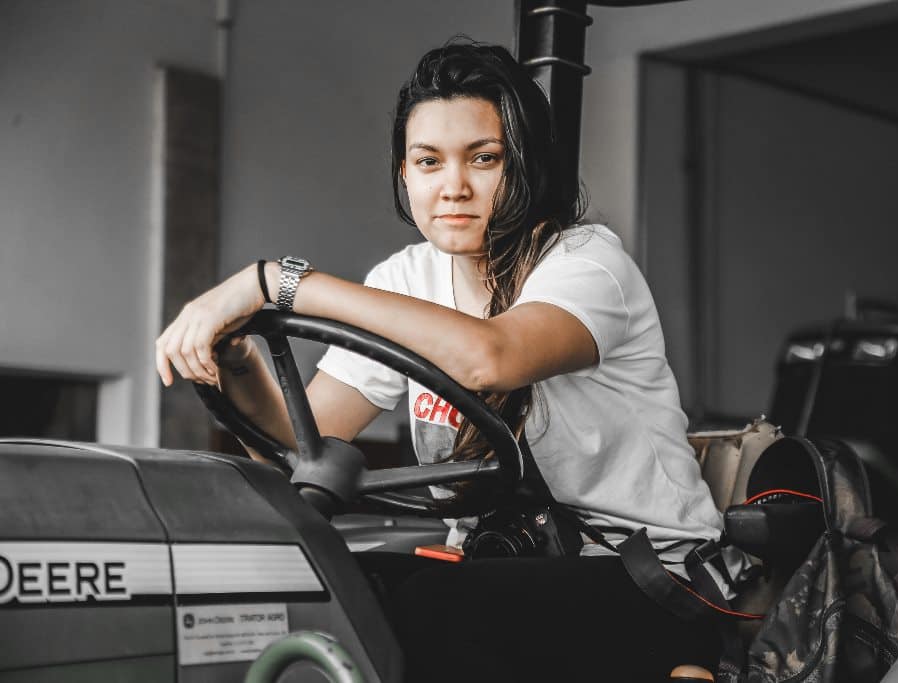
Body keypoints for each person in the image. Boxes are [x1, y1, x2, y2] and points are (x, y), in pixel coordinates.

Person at [155, 41, 734, 682]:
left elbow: (492, 358)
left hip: (647, 577)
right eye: (429, 162)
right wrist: (239, 357)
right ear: (405, 174)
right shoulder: (405, 279)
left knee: (433, 609)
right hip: (502, 564)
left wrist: (275, 283)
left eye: (483, 159)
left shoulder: (588, 264)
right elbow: (299, 446)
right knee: (336, 587)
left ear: (525, 167)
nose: (453, 187)